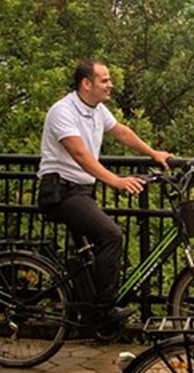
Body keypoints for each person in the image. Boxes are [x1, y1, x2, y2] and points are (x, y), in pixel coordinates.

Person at [37, 60, 172, 327]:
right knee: (111, 235)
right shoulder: (62, 111)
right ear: (87, 84)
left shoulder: (97, 110)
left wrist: (153, 153)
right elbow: (79, 154)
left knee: (95, 250)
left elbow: (121, 132)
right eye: (105, 80)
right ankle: (103, 310)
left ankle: (89, 305)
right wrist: (117, 181)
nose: (110, 85)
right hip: (61, 192)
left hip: (81, 190)